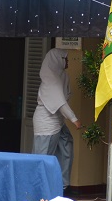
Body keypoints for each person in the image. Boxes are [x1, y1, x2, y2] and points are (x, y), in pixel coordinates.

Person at [32, 48, 81, 190]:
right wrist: (74, 119)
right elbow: (60, 103)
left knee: (66, 145)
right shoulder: (50, 79)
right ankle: (38, 187)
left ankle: (62, 184)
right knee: (43, 157)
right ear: (57, 60)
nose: (68, 62)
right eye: (65, 59)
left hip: (58, 121)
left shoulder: (62, 76)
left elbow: (66, 94)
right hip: (46, 123)